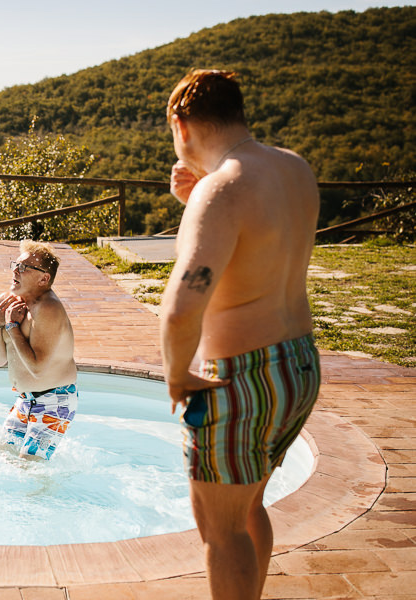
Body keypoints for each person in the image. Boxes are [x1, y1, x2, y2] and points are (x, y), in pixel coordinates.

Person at [159, 70, 321, 599]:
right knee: (249, 508)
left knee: (219, 527)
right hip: (297, 364)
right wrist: (197, 201)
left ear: (181, 125)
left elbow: (183, 308)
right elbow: (254, 251)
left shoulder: (221, 188)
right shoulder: (292, 167)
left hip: (236, 377)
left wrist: (177, 376)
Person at [0, 240, 78, 461]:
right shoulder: (8, 302)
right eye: (15, 265)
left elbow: (37, 368)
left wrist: (11, 327)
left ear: (44, 278)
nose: (15, 271)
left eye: (24, 268)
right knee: (1, 456)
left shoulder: (47, 309)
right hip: (25, 399)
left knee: (30, 469)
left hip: (55, 400)